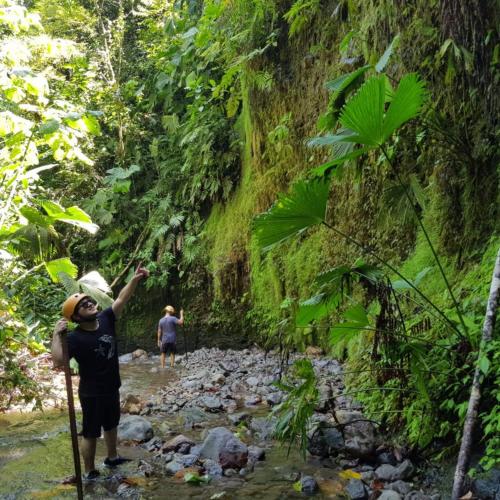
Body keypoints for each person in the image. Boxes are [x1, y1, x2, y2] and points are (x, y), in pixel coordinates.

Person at [51, 265, 149, 480]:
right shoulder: (74, 338)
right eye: (82, 305)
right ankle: (89, 471)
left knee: (112, 424)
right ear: (75, 317)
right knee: (91, 433)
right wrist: (56, 335)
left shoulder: (106, 319)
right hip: (91, 392)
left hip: (112, 386)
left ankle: (112, 458)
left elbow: (121, 299)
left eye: (89, 301)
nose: (89, 304)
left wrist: (135, 279)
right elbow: (59, 362)